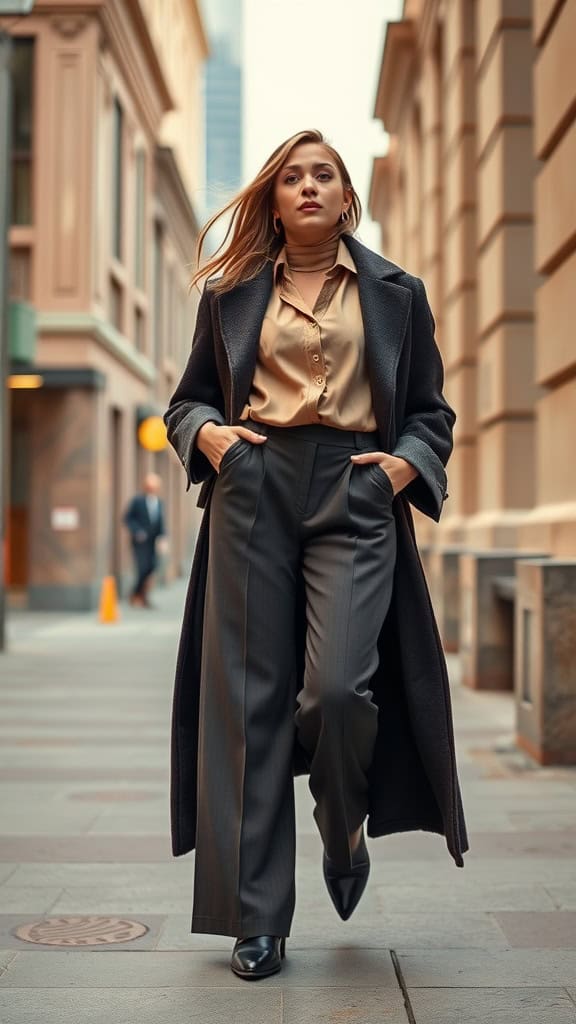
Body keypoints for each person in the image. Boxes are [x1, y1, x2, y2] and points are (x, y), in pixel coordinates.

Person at [164, 129, 469, 980]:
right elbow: (184, 404)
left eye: (322, 175)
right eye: (291, 177)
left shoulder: (397, 296)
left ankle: (343, 823)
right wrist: (212, 437)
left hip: (356, 488)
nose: (307, 187)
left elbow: (430, 414)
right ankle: (256, 918)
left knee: (337, 688)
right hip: (254, 485)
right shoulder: (229, 299)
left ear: (346, 198)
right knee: (250, 707)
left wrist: (408, 463)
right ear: (274, 199)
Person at [123, 473, 166, 608]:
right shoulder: (137, 501)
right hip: (140, 542)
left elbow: (161, 523)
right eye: (150, 486)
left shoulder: (159, 502)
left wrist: (163, 538)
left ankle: (138, 595)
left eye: (155, 486)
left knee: (152, 567)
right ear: (146, 487)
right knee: (142, 568)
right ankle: (139, 596)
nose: (152, 488)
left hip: (153, 541)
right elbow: (127, 518)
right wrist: (137, 531)